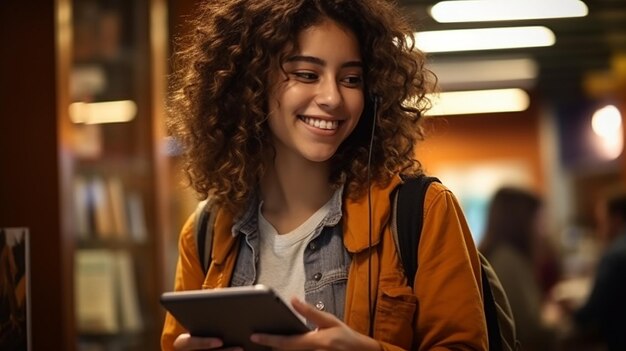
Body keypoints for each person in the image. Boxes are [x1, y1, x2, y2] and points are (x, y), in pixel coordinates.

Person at [161, 0, 487, 350]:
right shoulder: (206, 232)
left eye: (351, 79)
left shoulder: (421, 212)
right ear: (250, 83)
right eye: (306, 74)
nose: (333, 97)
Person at [479, 187, 557, 351]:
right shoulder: (508, 262)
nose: (543, 230)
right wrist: (563, 319)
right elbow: (531, 333)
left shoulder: (505, 256)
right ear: (521, 222)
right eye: (539, 221)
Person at [568, 189, 626, 350]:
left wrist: (569, 309)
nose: (599, 229)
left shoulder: (613, 256)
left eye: (602, 221)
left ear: (617, 219)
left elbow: (589, 314)